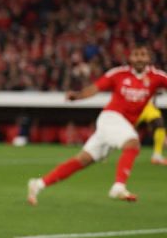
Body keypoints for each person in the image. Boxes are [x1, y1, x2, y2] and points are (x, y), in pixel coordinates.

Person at [27, 44, 167, 205]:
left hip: (121, 126)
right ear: (130, 57)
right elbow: (96, 88)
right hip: (111, 118)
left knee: (82, 160)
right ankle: (118, 186)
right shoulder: (119, 74)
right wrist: (78, 96)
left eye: (143, 55)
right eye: (136, 55)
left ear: (149, 58)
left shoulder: (158, 77)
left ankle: (38, 184)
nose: (139, 58)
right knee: (133, 143)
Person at [136, 100, 166, 165]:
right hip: (130, 106)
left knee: (159, 125)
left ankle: (157, 156)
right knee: (121, 128)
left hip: (147, 106)